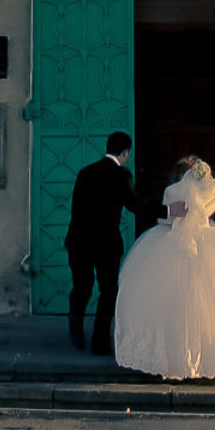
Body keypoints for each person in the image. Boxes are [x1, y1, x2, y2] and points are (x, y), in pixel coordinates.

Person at [111, 155, 215, 379]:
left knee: (172, 302)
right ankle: (209, 357)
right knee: (214, 303)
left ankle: (175, 358)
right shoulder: (213, 192)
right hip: (208, 242)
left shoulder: (172, 192)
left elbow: (168, 220)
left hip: (172, 243)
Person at [65, 132, 139, 355]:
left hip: (79, 240)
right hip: (106, 244)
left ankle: (76, 326)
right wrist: (167, 211)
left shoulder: (85, 172)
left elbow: (76, 208)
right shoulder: (121, 175)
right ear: (125, 152)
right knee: (108, 291)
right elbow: (135, 205)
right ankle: (100, 341)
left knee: (81, 286)